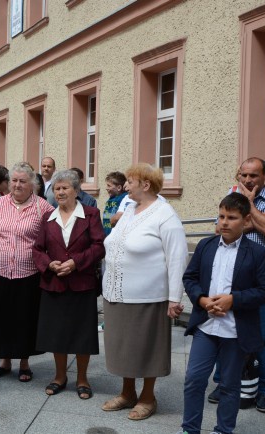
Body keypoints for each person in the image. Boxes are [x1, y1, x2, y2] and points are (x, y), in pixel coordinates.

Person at [177, 193, 265, 434]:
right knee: (194, 380)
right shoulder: (206, 246)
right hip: (206, 326)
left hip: (236, 330)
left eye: (231, 218)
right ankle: (189, 429)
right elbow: (189, 278)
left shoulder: (256, 252)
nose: (224, 222)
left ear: (245, 220)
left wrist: (234, 300)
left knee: (230, 385)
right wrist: (201, 299)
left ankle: (223, 430)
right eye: (221, 216)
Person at [101, 163, 187, 420]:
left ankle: (148, 397)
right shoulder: (130, 209)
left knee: (147, 348)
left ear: (145, 185)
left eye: (130, 181)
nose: (125, 185)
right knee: (124, 346)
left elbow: (177, 258)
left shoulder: (165, 215)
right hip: (116, 292)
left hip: (148, 296)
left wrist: (175, 298)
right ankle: (128, 393)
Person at [208, 157, 265, 413]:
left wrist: (250, 206)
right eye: (243, 175)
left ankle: (264, 390)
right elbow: (220, 230)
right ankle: (223, 383)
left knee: (264, 337)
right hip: (230, 277)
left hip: (264, 280)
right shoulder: (229, 197)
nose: (247, 180)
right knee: (226, 332)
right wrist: (259, 221)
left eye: (253, 175)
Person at [32, 169, 105, 399]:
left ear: (76, 190)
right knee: (57, 333)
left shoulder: (91, 214)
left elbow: (99, 246)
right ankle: (59, 376)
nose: (60, 192)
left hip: (81, 282)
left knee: (82, 334)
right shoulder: (48, 218)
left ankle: (82, 378)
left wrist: (75, 263)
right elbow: (37, 249)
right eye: (56, 188)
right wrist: (49, 265)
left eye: (65, 188)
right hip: (54, 283)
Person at [0, 162, 54, 382]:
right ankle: (5, 360)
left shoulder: (43, 208)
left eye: (23, 181)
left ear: (32, 183)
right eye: (14, 180)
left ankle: (24, 362)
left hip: (28, 272)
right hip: (0, 269)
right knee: (0, 315)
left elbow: (49, 240)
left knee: (25, 317)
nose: (17, 185)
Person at [102, 171, 127, 237]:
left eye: (109, 186)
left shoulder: (125, 199)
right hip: (107, 236)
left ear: (119, 188)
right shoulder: (111, 199)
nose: (106, 188)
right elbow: (106, 220)